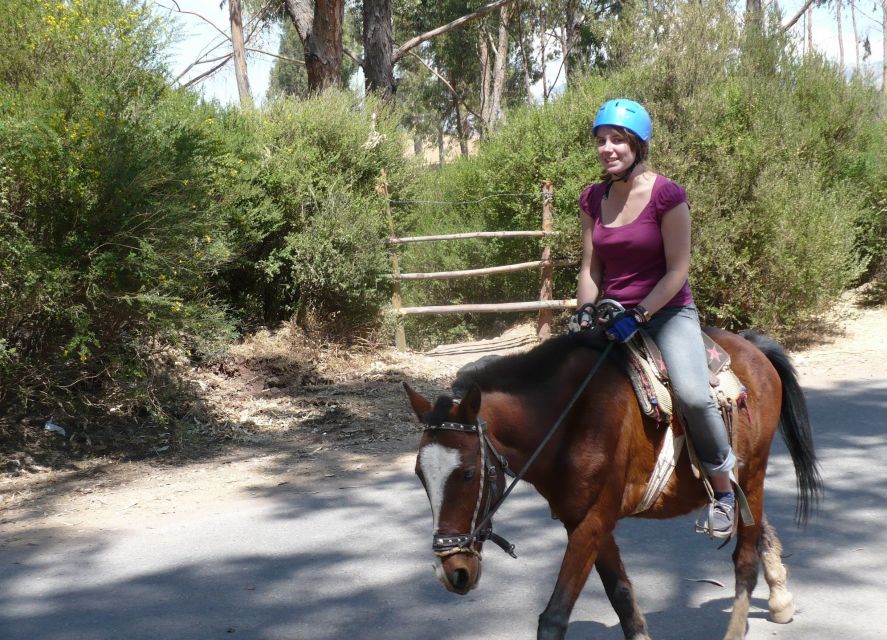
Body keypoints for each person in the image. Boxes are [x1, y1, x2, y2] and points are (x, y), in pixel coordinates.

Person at [571, 98, 737, 538]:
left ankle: (722, 489)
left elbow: (677, 270)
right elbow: (591, 268)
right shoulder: (592, 198)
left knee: (694, 395)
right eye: (601, 140)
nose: (607, 148)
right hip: (610, 312)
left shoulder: (667, 194)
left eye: (617, 140)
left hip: (666, 311)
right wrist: (583, 314)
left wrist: (641, 314)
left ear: (638, 146)